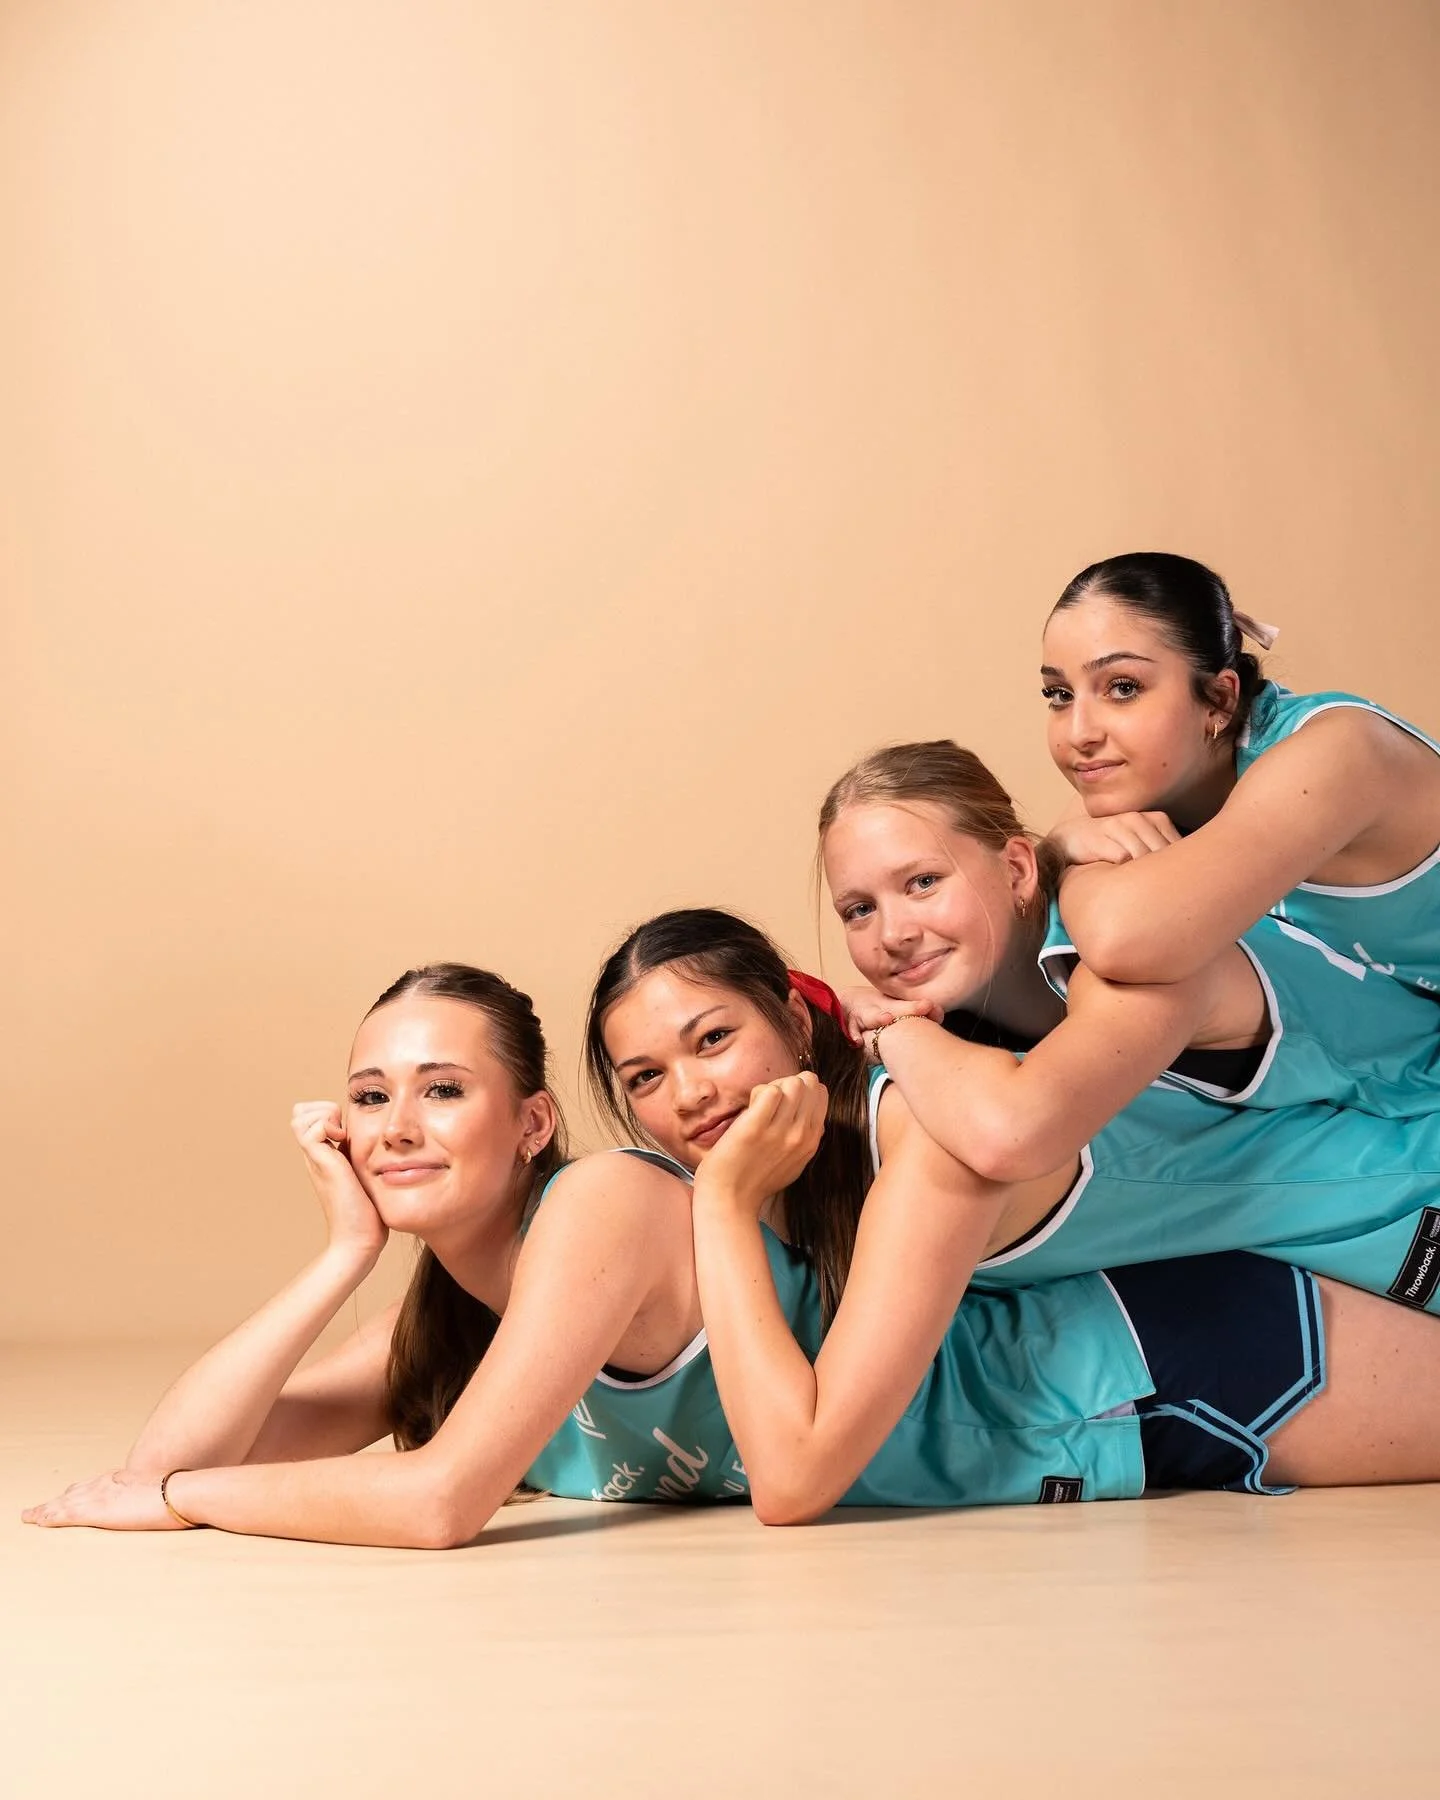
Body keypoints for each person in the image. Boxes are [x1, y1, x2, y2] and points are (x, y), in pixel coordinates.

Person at [587, 908, 1440, 1523]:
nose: (691, 1093)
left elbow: (793, 1479)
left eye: (711, 1040)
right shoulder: (810, 1167)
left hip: (1259, 1327)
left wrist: (722, 1208)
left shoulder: (920, 1136)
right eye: (645, 1079)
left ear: (793, 1020)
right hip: (1188, 1345)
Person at [816, 740, 1440, 1304]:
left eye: (923, 882)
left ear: (1016, 869)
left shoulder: (1129, 957)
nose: (893, 934)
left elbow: (1010, 1132)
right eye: (859, 909)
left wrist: (889, 1029)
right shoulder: (970, 1038)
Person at [1039, 551, 1440, 998]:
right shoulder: (1132, 776)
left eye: (1124, 688)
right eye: (1058, 694)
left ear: (1219, 699)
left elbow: (1122, 942)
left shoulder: (1339, 751)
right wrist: (1060, 849)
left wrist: (1061, 858)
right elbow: (1022, 922)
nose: (1080, 733)